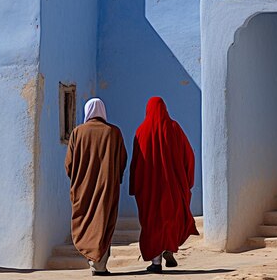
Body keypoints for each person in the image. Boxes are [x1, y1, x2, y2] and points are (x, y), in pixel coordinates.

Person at [129, 97, 199, 274]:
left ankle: (156, 262)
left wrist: (134, 186)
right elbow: (189, 156)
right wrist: (187, 180)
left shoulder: (141, 131)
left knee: (152, 223)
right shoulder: (174, 128)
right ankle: (168, 248)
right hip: (173, 187)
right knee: (171, 219)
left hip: (149, 189)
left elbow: (136, 162)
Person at [65, 98, 127, 276]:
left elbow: (69, 164)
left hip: (83, 189)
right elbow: (122, 160)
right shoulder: (114, 132)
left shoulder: (78, 133)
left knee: (87, 222)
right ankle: (100, 264)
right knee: (104, 222)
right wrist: (115, 178)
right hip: (107, 187)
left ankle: (94, 262)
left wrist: (79, 180)